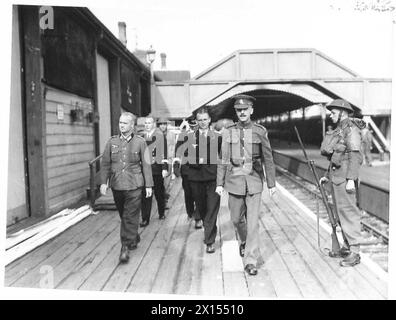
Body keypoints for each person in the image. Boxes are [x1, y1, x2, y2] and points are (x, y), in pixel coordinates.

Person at [216, 94, 276, 276]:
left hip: (254, 181)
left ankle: (251, 260)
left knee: (253, 224)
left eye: (245, 110)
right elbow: (223, 159)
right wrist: (219, 183)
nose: (242, 113)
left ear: (251, 110)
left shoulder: (259, 131)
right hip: (234, 182)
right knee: (235, 219)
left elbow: (268, 158)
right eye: (238, 110)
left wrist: (271, 184)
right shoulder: (229, 131)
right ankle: (244, 241)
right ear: (236, 112)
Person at [100, 112, 153, 263]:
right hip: (117, 185)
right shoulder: (112, 142)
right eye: (120, 122)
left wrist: (149, 185)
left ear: (132, 126)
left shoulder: (141, 142)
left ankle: (125, 246)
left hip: (135, 185)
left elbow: (147, 165)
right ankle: (134, 235)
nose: (121, 125)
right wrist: (104, 182)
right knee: (124, 214)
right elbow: (105, 164)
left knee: (129, 215)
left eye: (124, 123)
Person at [319, 99, 364, 267]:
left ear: (342, 112)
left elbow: (355, 156)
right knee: (340, 213)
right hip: (337, 177)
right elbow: (336, 157)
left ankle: (355, 252)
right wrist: (326, 175)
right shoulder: (340, 130)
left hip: (345, 178)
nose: (331, 115)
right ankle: (347, 246)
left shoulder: (351, 129)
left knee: (349, 213)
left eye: (333, 112)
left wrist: (351, 180)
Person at [187, 107, 222, 253]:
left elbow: (222, 157)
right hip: (196, 179)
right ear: (196, 121)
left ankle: (209, 240)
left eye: (205, 120)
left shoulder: (218, 137)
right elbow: (186, 158)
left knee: (212, 209)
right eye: (199, 120)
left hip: (213, 178)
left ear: (210, 120)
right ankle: (206, 226)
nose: (202, 123)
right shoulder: (188, 138)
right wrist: (203, 160)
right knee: (202, 209)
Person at [139, 116, 168, 226]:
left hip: (157, 168)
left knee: (159, 192)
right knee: (145, 194)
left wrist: (164, 168)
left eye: (149, 123)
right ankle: (145, 218)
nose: (147, 125)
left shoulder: (160, 136)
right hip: (145, 169)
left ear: (153, 124)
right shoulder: (141, 137)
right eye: (145, 123)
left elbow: (164, 152)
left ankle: (161, 212)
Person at [173, 119, 202, 226]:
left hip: (199, 169)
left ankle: (198, 217)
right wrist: (176, 165)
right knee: (188, 193)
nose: (194, 126)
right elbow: (177, 151)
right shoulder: (183, 135)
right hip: (186, 169)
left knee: (198, 193)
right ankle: (190, 212)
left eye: (195, 124)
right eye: (192, 124)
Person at [157, 117, 176, 206]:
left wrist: (171, 159)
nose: (163, 126)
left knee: (167, 181)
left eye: (164, 124)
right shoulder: (155, 134)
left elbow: (173, 147)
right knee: (159, 181)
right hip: (158, 160)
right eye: (161, 124)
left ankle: (165, 198)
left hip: (168, 160)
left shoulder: (171, 135)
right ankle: (162, 198)